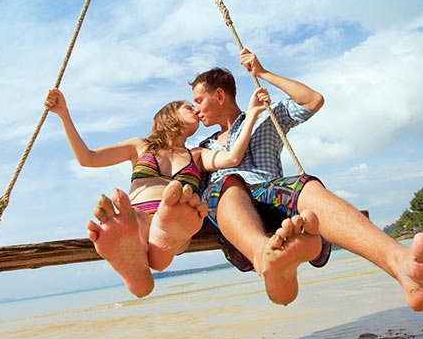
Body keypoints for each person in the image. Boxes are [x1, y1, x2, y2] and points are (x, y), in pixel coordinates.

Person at [189, 47, 423, 310]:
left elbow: (312, 100)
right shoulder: (204, 148)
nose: (196, 109)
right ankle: (266, 259)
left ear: (220, 95)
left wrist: (263, 73)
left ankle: (405, 268)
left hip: (273, 195)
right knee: (227, 186)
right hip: (234, 215)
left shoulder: (266, 115)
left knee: (307, 185)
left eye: (199, 100)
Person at [44, 86, 271, 297]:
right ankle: (145, 252)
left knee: (174, 221)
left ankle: (156, 245)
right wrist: (63, 114)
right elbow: (88, 158)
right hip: (141, 217)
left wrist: (252, 113)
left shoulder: (197, 155)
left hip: (176, 218)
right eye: (188, 106)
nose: (196, 109)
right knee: (141, 221)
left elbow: (232, 158)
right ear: (169, 114)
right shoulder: (139, 146)